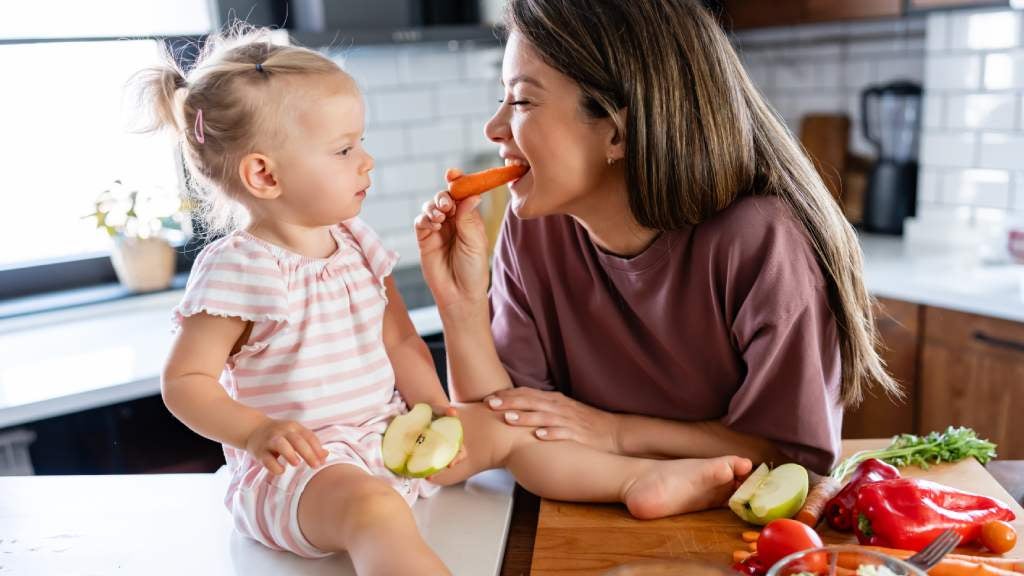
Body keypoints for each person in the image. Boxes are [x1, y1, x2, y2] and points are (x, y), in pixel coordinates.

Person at [150, 27, 750, 576]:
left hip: (386, 439)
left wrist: (439, 415)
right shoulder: (239, 267)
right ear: (264, 176)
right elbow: (186, 381)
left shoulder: (357, 243)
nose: (366, 161)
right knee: (374, 509)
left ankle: (637, 481)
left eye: (362, 142)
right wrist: (255, 433)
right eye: (342, 151)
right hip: (299, 476)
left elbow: (402, 341)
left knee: (514, 427)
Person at [415, 0, 899, 479]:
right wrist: (460, 306)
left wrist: (615, 433)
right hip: (585, 512)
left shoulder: (761, 243)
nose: (494, 127)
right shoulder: (534, 225)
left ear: (618, 132)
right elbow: (504, 424)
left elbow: (794, 455)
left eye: (520, 100)